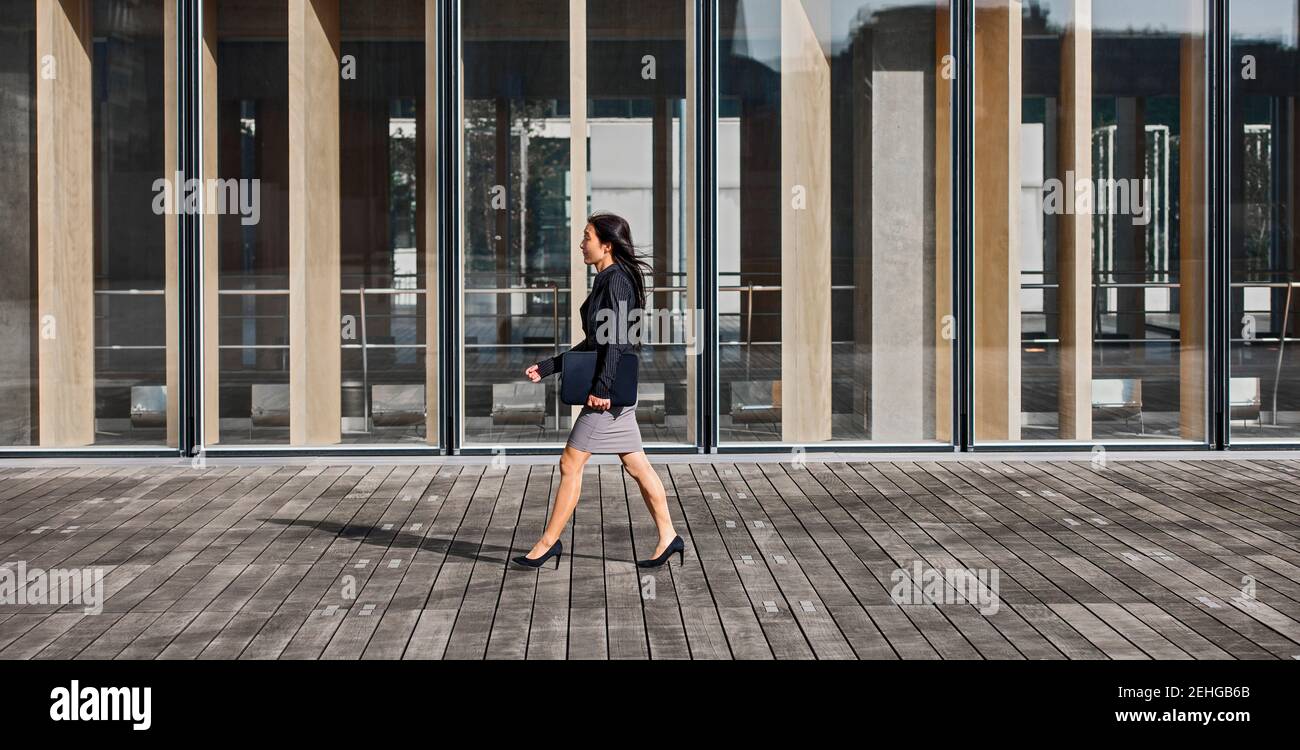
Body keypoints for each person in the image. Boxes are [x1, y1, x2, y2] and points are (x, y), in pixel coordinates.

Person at [511, 212, 685, 570]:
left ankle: (547, 543)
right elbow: (595, 342)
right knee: (637, 465)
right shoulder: (609, 279)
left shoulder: (617, 281)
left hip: (608, 394)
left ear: (606, 244)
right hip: (614, 391)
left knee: (570, 462)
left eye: (587, 236)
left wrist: (602, 387)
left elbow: (616, 341)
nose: (581, 243)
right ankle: (669, 536)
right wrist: (549, 367)